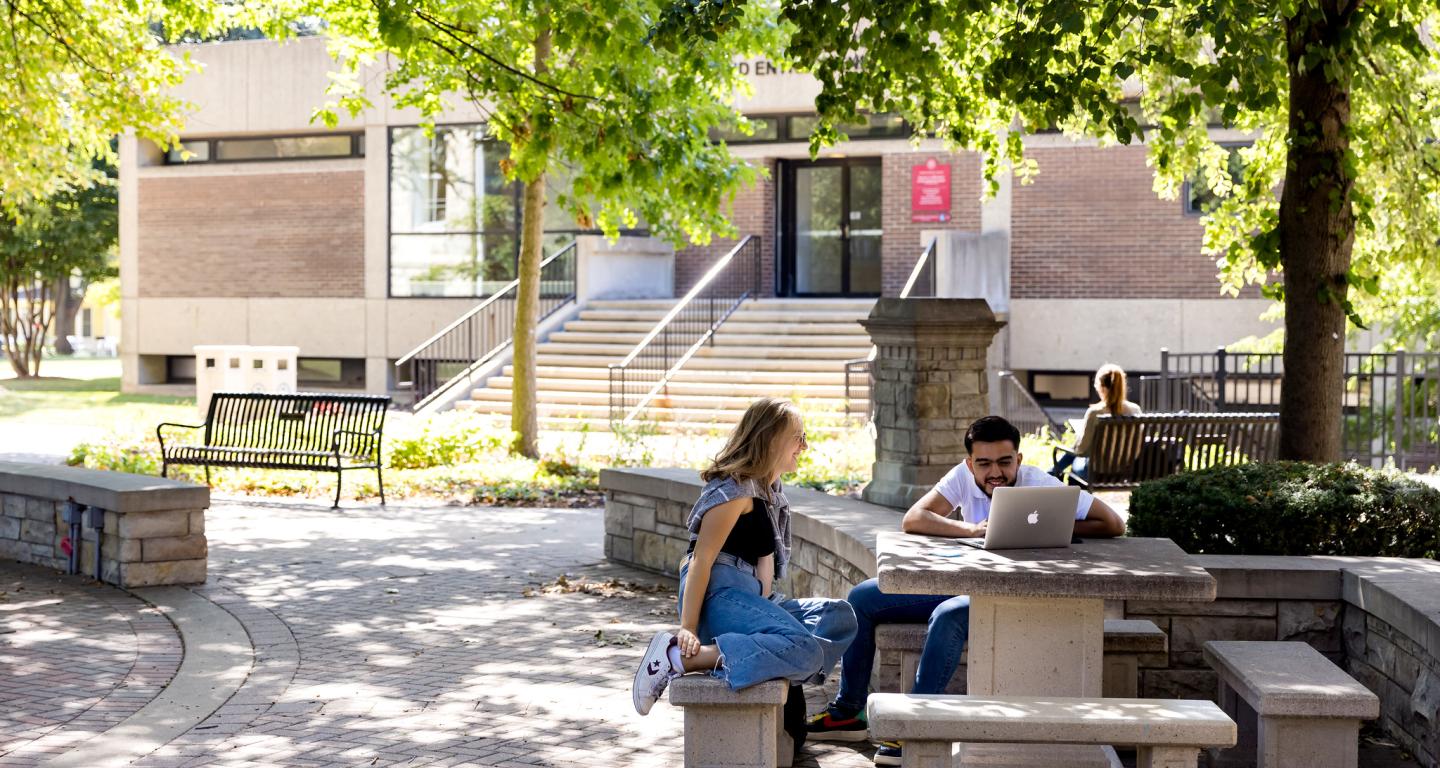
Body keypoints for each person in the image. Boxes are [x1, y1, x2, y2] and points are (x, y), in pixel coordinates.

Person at [806, 415, 1126, 766]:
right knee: (862, 599)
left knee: (948, 616)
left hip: (1015, 597)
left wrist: (1057, 525)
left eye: (1005, 462)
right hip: (964, 584)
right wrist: (971, 530)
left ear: (1018, 459)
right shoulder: (961, 477)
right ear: (969, 463)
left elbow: (1113, 523)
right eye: (984, 463)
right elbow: (914, 518)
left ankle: (914, 726)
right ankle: (849, 712)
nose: (995, 473)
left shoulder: (1040, 483)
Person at [632, 398, 858, 752]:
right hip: (719, 595)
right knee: (805, 650)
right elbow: (700, 560)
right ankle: (679, 658)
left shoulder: (768, 493)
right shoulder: (734, 491)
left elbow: (766, 574)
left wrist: (770, 613)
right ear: (771, 440)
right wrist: (687, 628)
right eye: (798, 438)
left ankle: (771, 658)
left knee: (839, 615)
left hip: (750, 599)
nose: (805, 446)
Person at [1051, 363, 1143, 482]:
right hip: (1124, 471)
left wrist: (1078, 439)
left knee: (1073, 456)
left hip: (1096, 472)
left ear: (1103, 388)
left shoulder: (1095, 412)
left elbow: (1082, 450)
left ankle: (1050, 474)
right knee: (1074, 455)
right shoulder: (1135, 410)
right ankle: (1051, 473)